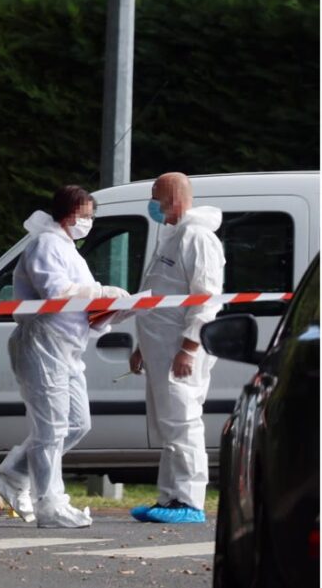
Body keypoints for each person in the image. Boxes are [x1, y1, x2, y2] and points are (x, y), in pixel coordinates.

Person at [0, 185, 130, 528]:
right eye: (86, 216)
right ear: (68, 215)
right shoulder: (46, 244)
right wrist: (101, 293)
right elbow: (56, 293)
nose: (89, 222)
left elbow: (78, 305)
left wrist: (109, 309)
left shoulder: (67, 247)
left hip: (66, 347)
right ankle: (49, 505)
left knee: (77, 424)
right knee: (50, 429)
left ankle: (13, 476)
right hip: (42, 343)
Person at [129, 172, 225, 524]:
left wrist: (189, 346)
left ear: (173, 199)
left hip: (179, 352)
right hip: (161, 349)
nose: (152, 204)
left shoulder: (198, 238)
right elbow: (160, 297)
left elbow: (206, 298)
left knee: (184, 424)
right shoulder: (173, 235)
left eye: (156, 197)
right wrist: (142, 346)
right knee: (171, 427)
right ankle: (170, 498)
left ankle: (189, 500)